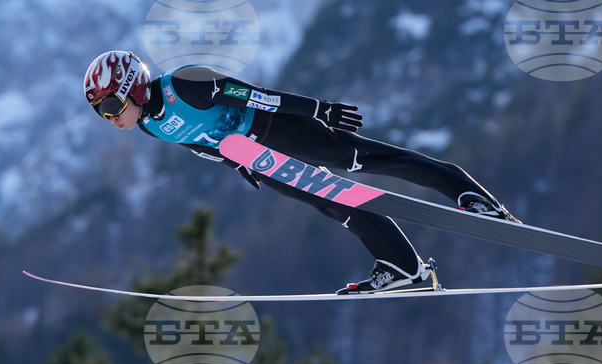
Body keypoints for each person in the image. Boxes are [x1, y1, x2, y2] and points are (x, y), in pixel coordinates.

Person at [83, 50, 520, 294]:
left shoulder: (184, 84)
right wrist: (237, 163)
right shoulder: (151, 126)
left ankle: (473, 198)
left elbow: (255, 96)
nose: (110, 119)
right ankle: (404, 268)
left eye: (109, 106)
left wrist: (318, 110)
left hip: (278, 128)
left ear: (130, 86)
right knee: (334, 203)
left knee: (373, 160)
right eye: (101, 114)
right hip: (257, 157)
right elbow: (201, 144)